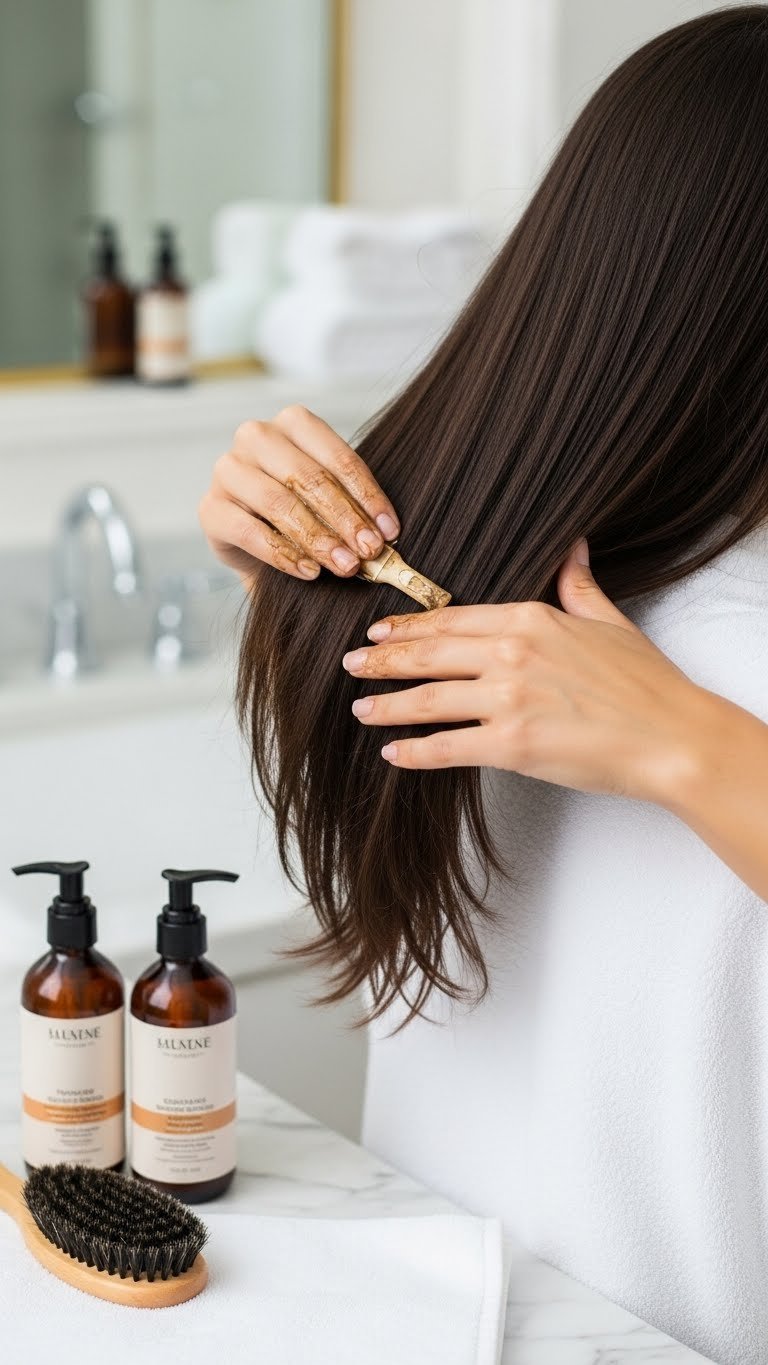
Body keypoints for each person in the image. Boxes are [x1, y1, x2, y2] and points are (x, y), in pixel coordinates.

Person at [200, 9, 768, 1363]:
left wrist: (682, 748)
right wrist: (281, 569)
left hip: (434, 1300)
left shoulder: (495, 539)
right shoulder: (482, 559)